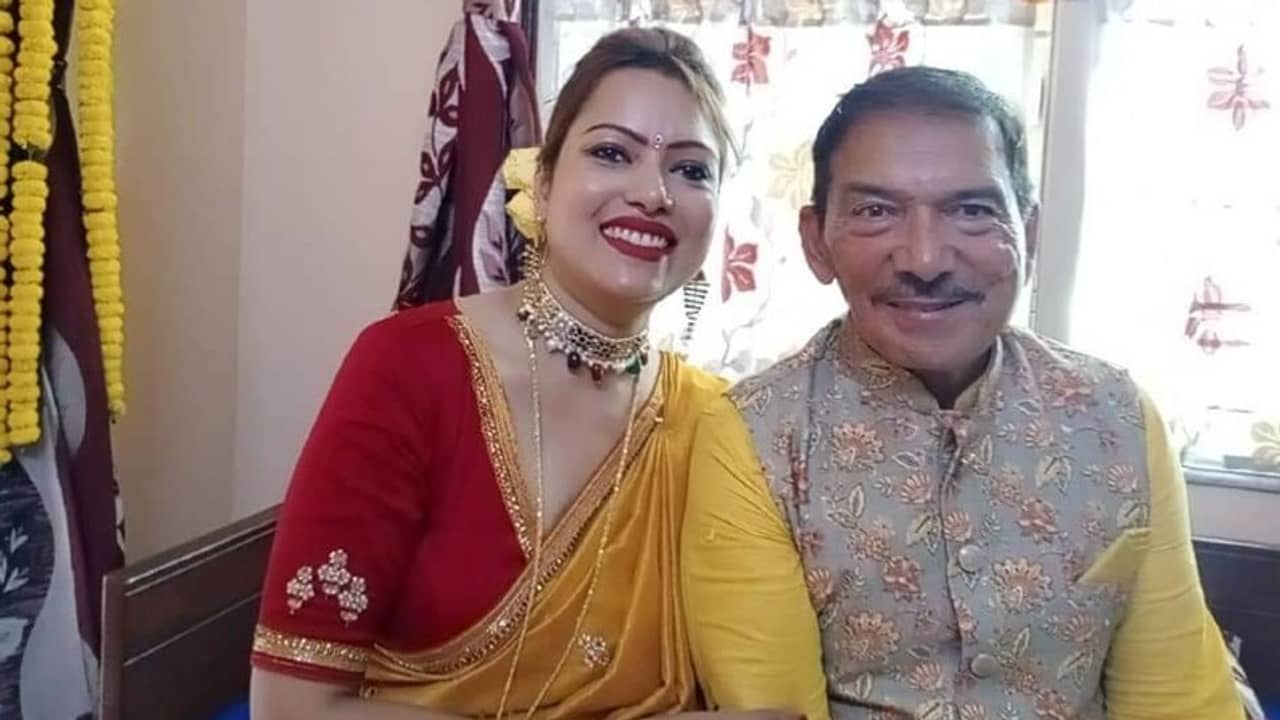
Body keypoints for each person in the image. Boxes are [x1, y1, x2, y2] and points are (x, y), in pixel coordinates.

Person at [681, 67, 1246, 720]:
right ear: (816, 242)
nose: (925, 259)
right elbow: (775, 712)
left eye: (972, 211)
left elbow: (1178, 699)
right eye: (875, 212)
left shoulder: (1118, 416)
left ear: (1029, 231)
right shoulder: (755, 435)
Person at [250, 27, 779, 720]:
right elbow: (293, 708)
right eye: (612, 153)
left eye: (691, 170)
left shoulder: (711, 419)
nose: (654, 193)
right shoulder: (408, 367)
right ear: (545, 181)